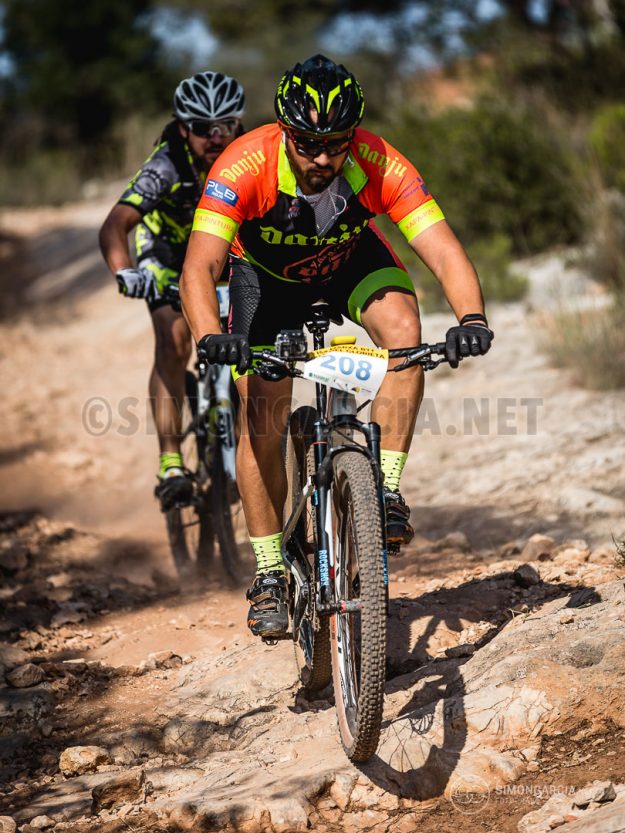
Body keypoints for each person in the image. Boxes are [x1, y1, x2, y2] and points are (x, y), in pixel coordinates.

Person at [179, 54, 494, 637]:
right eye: (308, 145)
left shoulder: (379, 162)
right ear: (283, 132)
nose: (323, 159)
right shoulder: (243, 164)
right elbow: (198, 268)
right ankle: (269, 571)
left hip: (348, 263)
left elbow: (443, 249)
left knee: (405, 336)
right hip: (265, 281)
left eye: (336, 145)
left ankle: (386, 492)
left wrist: (471, 317)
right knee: (262, 414)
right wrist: (211, 338)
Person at [99, 71, 245, 511]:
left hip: (222, 255)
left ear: (239, 124)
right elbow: (115, 225)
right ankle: (171, 462)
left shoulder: (248, 156)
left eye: (226, 125)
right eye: (203, 127)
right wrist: (125, 272)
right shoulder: (166, 166)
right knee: (174, 339)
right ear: (183, 128)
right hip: (166, 255)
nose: (216, 137)